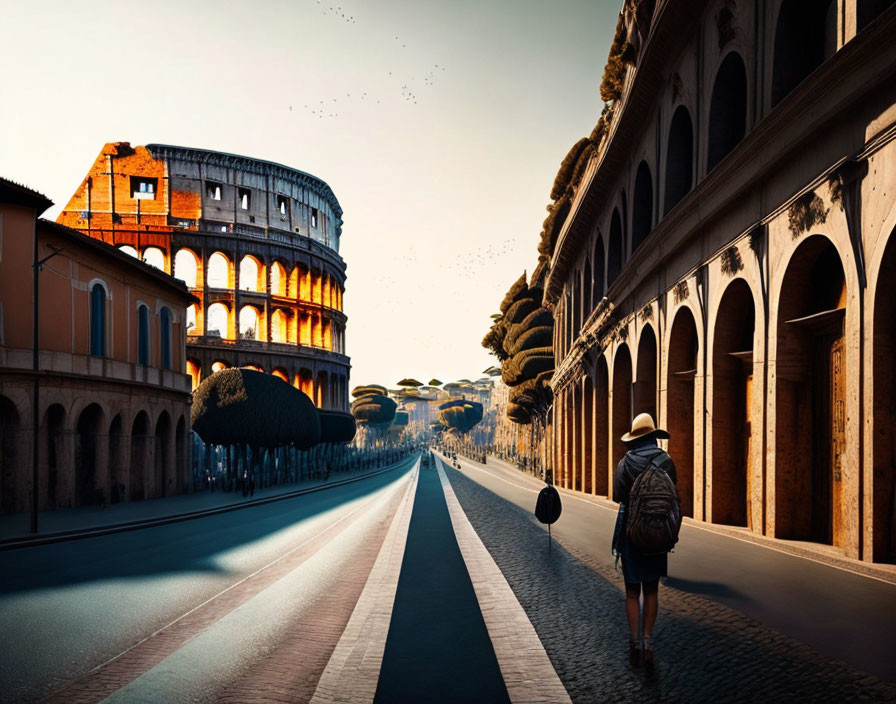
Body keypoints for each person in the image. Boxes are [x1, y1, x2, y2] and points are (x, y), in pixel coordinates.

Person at [611, 412, 677, 671]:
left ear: (635, 438)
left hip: (631, 533)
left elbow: (618, 497)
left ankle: (635, 641)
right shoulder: (667, 462)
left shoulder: (625, 463)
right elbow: (673, 493)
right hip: (658, 532)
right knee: (651, 589)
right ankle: (648, 641)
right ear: (653, 436)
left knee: (631, 591)